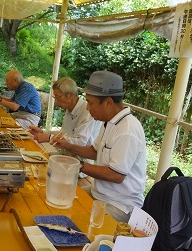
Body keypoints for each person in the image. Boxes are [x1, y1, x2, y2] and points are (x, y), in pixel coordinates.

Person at [52, 71, 147, 222]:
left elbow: (116, 175)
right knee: (60, 200)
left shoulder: (127, 130)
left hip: (119, 204)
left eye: (90, 102)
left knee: (70, 219)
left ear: (108, 102)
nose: (88, 108)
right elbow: (94, 151)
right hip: (99, 193)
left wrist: (77, 165)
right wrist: (67, 146)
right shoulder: (109, 121)